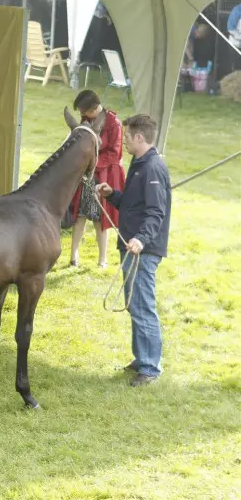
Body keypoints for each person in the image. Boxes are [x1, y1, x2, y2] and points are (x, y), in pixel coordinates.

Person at [97, 114, 171, 387]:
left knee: (142, 306)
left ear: (140, 137)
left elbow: (155, 212)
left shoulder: (152, 168)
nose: (124, 140)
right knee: (135, 305)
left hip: (143, 249)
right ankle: (142, 359)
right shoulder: (139, 164)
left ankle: (150, 367)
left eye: (127, 136)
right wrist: (111, 194)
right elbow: (132, 203)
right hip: (131, 246)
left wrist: (141, 239)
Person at [64, 90, 126, 268]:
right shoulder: (87, 121)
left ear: (92, 110)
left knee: (100, 218)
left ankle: (102, 259)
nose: (82, 116)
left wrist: (92, 165)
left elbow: (114, 154)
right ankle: (74, 256)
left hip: (104, 175)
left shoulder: (114, 123)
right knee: (81, 215)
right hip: (87, 176)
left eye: (84, 112)